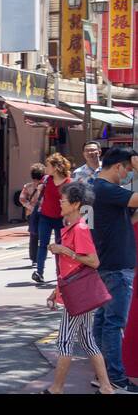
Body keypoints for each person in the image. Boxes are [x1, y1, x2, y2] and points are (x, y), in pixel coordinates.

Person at [43, 183, 115, 394]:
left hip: (77, 297)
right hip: (74, 294)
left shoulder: (80, 229)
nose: (60, 203)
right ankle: (106, 387)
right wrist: (56, 290)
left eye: (63, 200)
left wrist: (64, 250)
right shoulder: (72, 228)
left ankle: (56, 388)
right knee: (88, 341)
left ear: (75, 204)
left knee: (65, 341)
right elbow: (69, 268)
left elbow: (93, 261)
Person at [88, 146, 138, 393]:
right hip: (117, 267)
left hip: (104, 264)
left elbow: (123, 220)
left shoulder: (92, 188)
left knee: (102, 322)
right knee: (113, 323)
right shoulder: (107, 189)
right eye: (127, 170)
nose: (127, 175)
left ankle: (103, 375)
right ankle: (116, 378)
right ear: (118, 166)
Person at [33, 154, 71, 284]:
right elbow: (40, 195)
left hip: (61, 219)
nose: (46, 168)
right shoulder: (46, 179)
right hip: (45, 216)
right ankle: (39, 272)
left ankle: (60, 272)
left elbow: (69, 201)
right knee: (42, 244)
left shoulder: (68, 182)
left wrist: (67, 216)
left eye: (48, 166)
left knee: (59, 247)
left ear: (55, 168)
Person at [20, 163, 46, 265]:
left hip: (31, 214)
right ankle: (40, 257)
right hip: (44, 213)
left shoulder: (27, 186)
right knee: (42, 235)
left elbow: (22, 199)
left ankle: (34, 258)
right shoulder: (45, 186)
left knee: (33, 235)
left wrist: (31, 207)